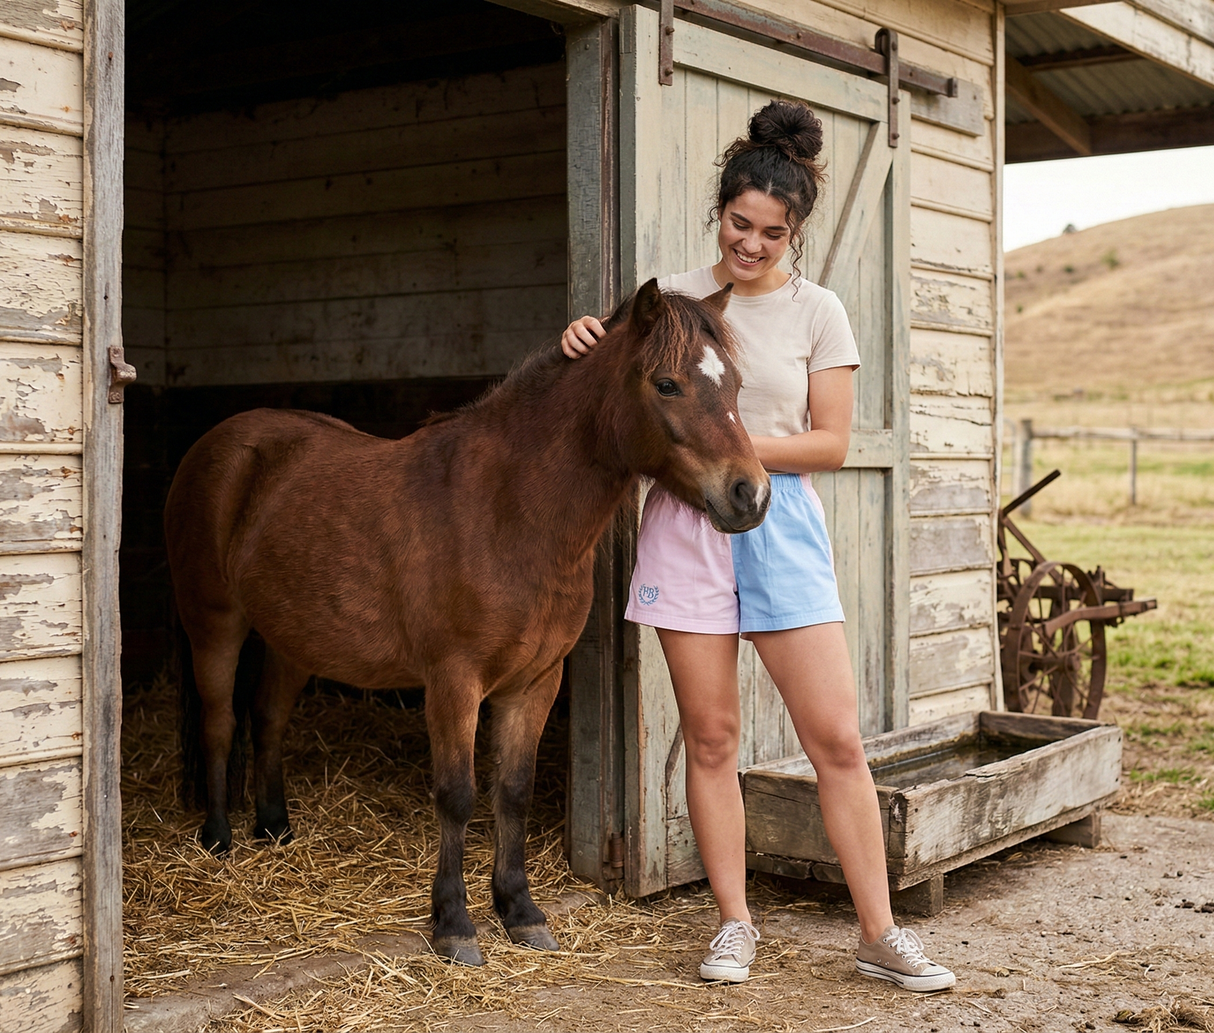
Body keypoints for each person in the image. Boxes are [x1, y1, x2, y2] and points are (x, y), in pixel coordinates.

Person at [561, 100, 955, 993]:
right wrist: (582, 340)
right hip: (686, 530)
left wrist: (723, 443)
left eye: (773, 231)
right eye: (741, 223)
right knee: (711, 738)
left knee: (839, 744)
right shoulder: (672, 299)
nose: (752, 243)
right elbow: (617, 397)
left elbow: (831, 442)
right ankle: (735, 921)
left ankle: (879, 930)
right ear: (721, 210)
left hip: (779, 529)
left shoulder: (821, 313)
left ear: (797, 230)